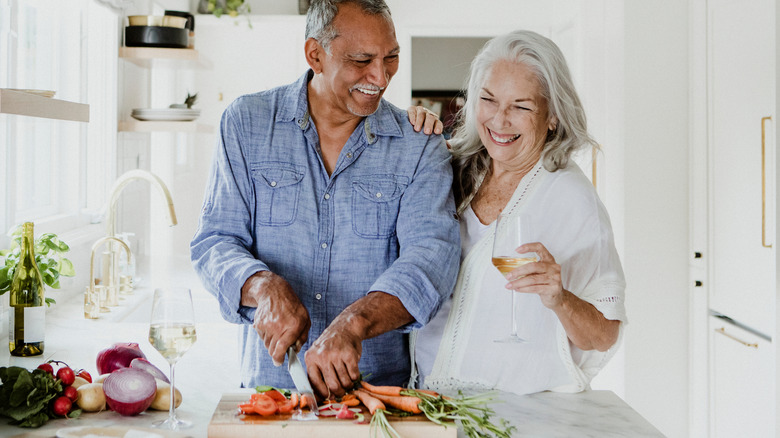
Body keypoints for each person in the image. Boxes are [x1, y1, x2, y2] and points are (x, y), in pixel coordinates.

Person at [190, 0, 460, 398]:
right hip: (271, 392)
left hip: (376, 397)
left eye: (391, 58)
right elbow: (215, 241)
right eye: (361, 60)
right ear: (315, 54)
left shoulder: (419, 145)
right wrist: (262, 286)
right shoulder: (247, 123)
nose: (380, 76)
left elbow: (431, 260)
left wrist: (354, 323)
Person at [409, 30, 627, 395]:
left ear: (552, 116)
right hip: (427, 401)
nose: (499, 120)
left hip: (515, 415)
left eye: (521, 106)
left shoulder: (571, 199)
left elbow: (603, 335)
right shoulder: (452, 168)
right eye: (489, 100)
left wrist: (560, 298)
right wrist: (410, 130)